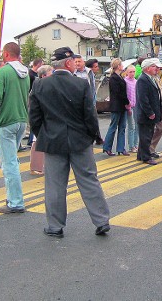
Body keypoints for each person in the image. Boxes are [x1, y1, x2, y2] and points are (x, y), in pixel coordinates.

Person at [29, 46, 110, 238]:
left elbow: (34, 118)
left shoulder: (40, 85)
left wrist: (44, 135)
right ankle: (101, 221)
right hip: (79, 140)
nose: (76, 64)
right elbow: (90, 116)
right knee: (89, 180)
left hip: (53, 141)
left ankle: (55, 226)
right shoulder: (81, 85)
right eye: (74, 61)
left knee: (55, 184)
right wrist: (92, 136)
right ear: (68, 62)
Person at [0, 42, 30, 213]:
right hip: (20, 119)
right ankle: (13, 196)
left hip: (5, 120)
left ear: (5, 54)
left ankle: (15, 201)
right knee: (13, 160)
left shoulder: (3, 72)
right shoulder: (25, 73)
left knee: (8, 163)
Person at [135, 58, 162, 165]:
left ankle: (141, 155)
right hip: (145, 115)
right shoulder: (143, 80)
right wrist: (150, 112)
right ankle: (146, 157)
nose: (156, 69)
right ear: (147, 68)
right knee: (146, 136)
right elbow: (143, 99)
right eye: (154, 67)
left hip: (149, 113)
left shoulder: (150, 78)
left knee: (146, 135)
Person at [103, 58, 130, 156]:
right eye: (121, 65)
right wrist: (127, 102)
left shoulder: (119, 77)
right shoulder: (114, 78)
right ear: (118, 66)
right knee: (113, 127)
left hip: (121, 105)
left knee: (122, 127)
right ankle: (107, 147)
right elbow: (118, 93)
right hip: (117, 106)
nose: (122, 66)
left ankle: (121, 148)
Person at [124, 64, 139, 153]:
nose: (132, 73)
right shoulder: (125, 82)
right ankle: (131, 146)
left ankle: (136, 144)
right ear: (127, 72)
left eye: (133, 72)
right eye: (130, 72)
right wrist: (128, 107)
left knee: (137, 126)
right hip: (129, 106)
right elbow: (125, 95)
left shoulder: (136, 82)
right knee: (131, 126)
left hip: (136, 105)